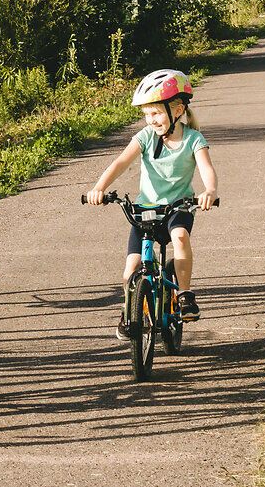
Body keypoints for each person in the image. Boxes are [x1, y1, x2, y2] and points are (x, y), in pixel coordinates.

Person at [84, 68, 218, 324]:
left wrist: (209, 191)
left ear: (177, 111)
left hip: (179, 208)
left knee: (180, 237)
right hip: (145, 209)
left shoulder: (193, 140)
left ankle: (185, 294)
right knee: (130, 270)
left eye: (156, 113)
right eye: (147, 114)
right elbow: (120, 162)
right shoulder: (145, 136)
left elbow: (207, 169)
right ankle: (129, 314)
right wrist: (99, 188)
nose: (151, 120)